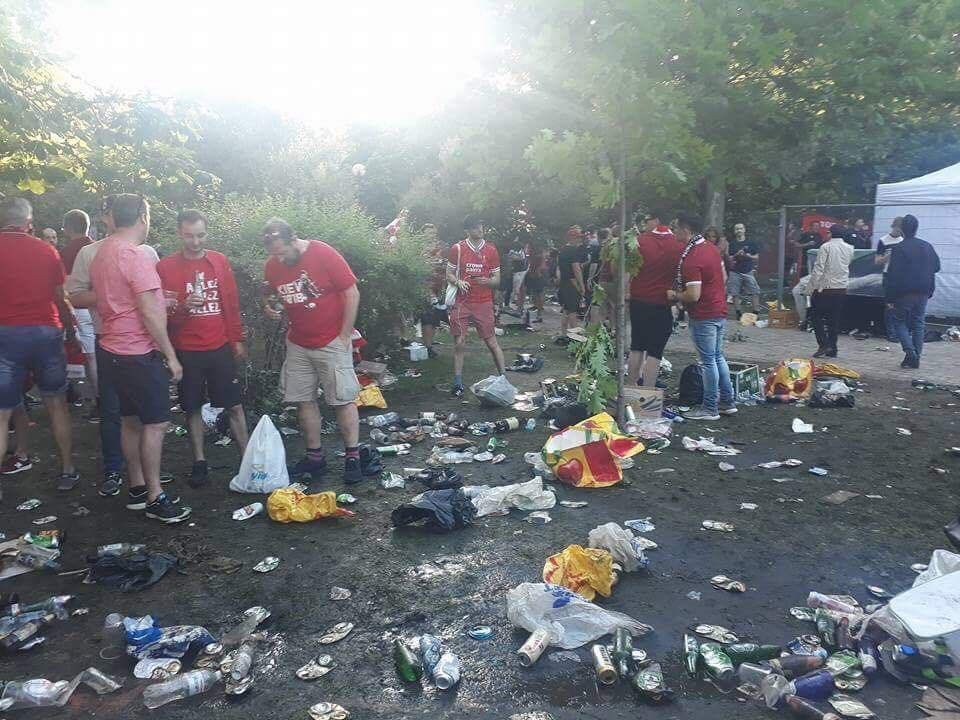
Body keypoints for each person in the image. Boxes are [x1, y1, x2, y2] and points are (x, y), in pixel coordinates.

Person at [89, 194, 190, 523]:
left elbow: (123, 298)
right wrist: (171, 356)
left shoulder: (102, 251)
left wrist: (160, 299)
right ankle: (155, 496)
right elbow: (148, 311)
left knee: (130, 421)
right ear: (143, 218)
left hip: (109, 349)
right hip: (136, 352)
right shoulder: (134, 255)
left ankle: (136, 487)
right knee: (157, 423)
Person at [261, 217, 380, 484]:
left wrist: (345, 336)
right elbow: (269, 292)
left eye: (282, 252)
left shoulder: (322, 253)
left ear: (293, 240)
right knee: (303, 399)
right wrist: (268, 307)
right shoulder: (272, 265)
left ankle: (352, 456)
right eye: (273, 254)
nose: (278, 258)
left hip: (331, 340)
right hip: (298, 342)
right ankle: (315, 458)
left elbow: (352, 292)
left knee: (342, 399)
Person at [68, 195, 163, 497]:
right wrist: (114, 294)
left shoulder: (142, 252)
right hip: (117, 342)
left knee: (138, 418)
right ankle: (132, 480)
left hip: (125, 342)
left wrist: (159, 298)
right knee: (130, 417)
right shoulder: (93, 253)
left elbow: (150, 299)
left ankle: (143, 482)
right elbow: (76, 295)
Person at [157, 210, 249, 487]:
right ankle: (199, 460)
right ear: (179, 233)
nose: (194, 241)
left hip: (219, 344)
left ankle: (247, 456)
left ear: (206, 233)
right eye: (188, 235)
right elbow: (161, 314)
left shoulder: (219, 261)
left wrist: (237, 339)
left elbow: (231, 304)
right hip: (187, 348)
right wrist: (183, 308)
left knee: (233, 404)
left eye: (200, 235)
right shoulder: (166, 267)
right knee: (192, 407)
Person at [0, 197, 79, 490]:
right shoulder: (47, 250)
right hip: (45, 331)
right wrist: (70, 330)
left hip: (6, 334)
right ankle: (68, 470)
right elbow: (60, 295)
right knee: (56, 403)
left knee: (2, 411)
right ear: (28, 223)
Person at [667, 213, 736, 421]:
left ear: (685, 229)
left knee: (707, 361)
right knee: (717, 357)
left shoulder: (693, 257)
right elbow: (723, 277)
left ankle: (710, 408)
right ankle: (728, 402)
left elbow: (693, 295)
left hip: (703, 313)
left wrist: (675, 295)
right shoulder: (711, 248)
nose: (674, 232)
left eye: (676, 228)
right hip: (719, 309)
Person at [446, 215, 506, 396]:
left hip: (483, 302)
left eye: (481, 225)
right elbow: (448, 273)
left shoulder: (491, 250)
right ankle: (458, 382)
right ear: (468, 230)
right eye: (475, 227)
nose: (480, 229)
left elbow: (497, 281)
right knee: (459, 341)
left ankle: (503, 377)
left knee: (491, 341)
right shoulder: (457, 249)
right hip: (462, 302)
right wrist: (458, 282)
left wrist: (486, 281)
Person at [627, 210, 681, 386]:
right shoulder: (678, 244)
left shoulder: (640, 241)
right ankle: (647, 394)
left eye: (647, 220)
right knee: (655, 351)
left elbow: (628, 270)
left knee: (637, 346)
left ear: (656, 220)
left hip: (639, 300)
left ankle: (630, 388)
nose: (645, 224)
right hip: (662, 302)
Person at [885, 214, 941, 370]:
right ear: (916, 228)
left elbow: (893, 274)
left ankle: (911, 354)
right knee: (918, 323)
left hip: (905, 292)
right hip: (924, 290)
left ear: (902, 230)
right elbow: (937, 267)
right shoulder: (927, 246)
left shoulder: (898, 248)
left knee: (899, 322)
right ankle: (915, 356)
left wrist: (889, 298)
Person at [60, 210, 98, 408]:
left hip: (80, 308)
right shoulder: (97, 248)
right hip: (102, 306)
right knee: (102, 353)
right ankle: (107, 398)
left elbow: (64, 286)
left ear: (67, 229)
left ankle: (98, 399)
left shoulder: (65, 252)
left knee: (90, 357)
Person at [806, 225, 854, 358]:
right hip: (841, 288)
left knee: (816, 316)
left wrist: (810, 288)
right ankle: (833, 348)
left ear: (830, 233)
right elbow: (847, 265)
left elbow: (818, 268)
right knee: (834, 319)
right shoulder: (850, 248)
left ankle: (823, 344)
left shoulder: (825, 247)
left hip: (825, 288)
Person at [555, 226, 587, 346]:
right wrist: (582, 286)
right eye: (578, 238)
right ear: (572, 238)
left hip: (564, 282)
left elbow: (559, 268)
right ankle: (576, 338)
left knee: (566, 309)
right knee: (573, 311)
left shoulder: (563, 250)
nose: (580, 240)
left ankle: (564, 335)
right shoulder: (573, 251)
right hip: (572, 283)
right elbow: (576, 269)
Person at [419, 224, 447, 358]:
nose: (431, 235)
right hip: (425, 288)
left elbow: (446, 265)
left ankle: (428, 344)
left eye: (433, 233)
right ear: (423, 234)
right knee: (427, 318)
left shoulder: (440, 247)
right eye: (429, 232)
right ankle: (428, 347)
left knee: (435, 319)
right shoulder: (419, 248)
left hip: (439, 287)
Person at [875, 217, 904, 342]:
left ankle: (900, 331)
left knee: (901, 304)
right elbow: (877, 261)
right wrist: (888, 256)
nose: (898, 232)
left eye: (901, 230)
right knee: (889, 304)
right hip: (888, 274)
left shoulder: (903, 240)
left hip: (902, 275)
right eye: (897, 229)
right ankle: (891, 333)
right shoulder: (883, 240)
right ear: (893, 227)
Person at [725, 222, 761, 317]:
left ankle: (756, 312)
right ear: (734, 231)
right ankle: (738, 313)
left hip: (748, 270)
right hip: (735, 271)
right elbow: (730, 258)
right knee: (734, 293)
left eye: (741, 228)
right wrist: (737, 255)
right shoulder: (732, 244)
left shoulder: (751, 243)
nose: (739, 230)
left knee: (754, 291)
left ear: (744, 230)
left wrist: (748, 256)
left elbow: (757, 257)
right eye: (737, 229)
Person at [521, 238, 548, 324]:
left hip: (538, 274)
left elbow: (543, 263)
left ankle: (539, 314)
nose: (527, 248)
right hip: (532, 274)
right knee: (535, 294)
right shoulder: (532, 254)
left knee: (539, 293)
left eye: (528, 247)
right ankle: (538, 312)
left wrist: (539, 271)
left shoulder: (539, 253)